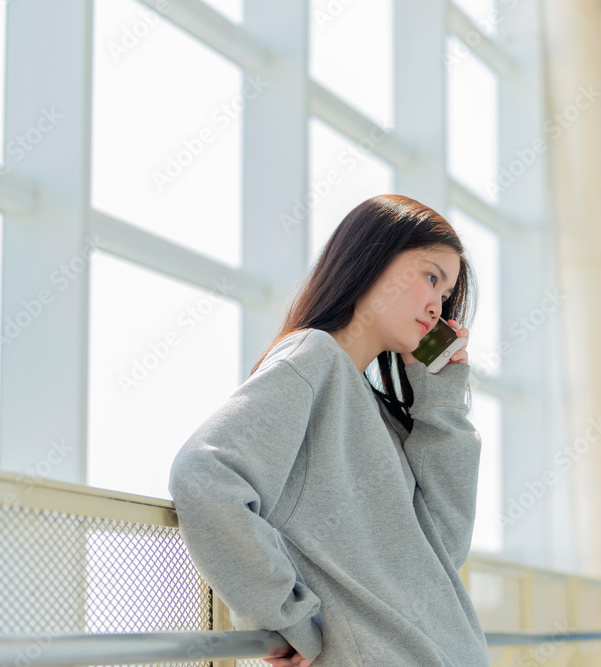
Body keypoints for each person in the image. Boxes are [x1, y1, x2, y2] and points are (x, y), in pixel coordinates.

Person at [167, 194, 489, 666]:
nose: (438, 306)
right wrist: (288, 618)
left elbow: (442, 552)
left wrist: (440, 401)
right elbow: (204, 474)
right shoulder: (312, 358)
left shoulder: (378, 413)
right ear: (374, 257)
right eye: (430, 276)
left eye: (445, 294)